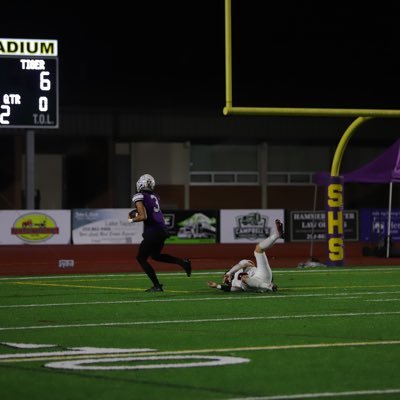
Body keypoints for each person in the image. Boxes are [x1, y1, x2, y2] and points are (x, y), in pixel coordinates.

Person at [129, 173, 192, 292]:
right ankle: (182, 262)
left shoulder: (139, 196)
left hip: (153, 230)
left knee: (141, 258)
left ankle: (157, 286)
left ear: (141, 184)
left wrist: (131, 219)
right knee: (156, 256)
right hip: (162, 230)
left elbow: (142, 216)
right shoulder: (155, 196)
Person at [207, 219, 284, 293]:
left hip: (262, 276)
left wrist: (229, 273)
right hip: (255, 287)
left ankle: (277, 234)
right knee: (244, 279)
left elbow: (244, 264)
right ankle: (268, 286)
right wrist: (217, 286)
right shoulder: (234, 283)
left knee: (258, 249)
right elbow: (233, 289)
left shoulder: (240, 268)